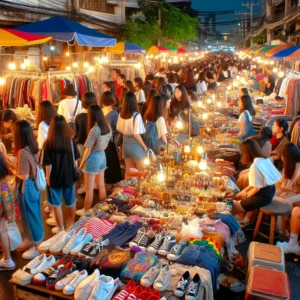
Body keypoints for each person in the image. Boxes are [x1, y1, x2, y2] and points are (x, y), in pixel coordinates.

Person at [43, 115, 79, 234]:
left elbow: (48, 164)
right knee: (71, 201)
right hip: (69, 175)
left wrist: (48, 177)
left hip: (55, 178)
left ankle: (60, 228)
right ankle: (71, 223)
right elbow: (75, 160)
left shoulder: (48, 143)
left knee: (57, 204)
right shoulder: (70, 140)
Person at [232, 139, 281, 226]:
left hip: (262, 197)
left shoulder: (255, 166)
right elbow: (254, 184)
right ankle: (245, 220)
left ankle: (241, 224)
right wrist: (242, 192)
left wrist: (246, 196)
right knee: (238, 199)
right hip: (270, 192)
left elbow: (257, 188)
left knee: (233, 206)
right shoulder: (264, 159)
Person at [14, 120, 44, 259]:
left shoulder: (22, 152)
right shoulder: (33, 147)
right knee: (33, 214)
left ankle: (36, 246)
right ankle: (31, 240)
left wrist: (12, 169)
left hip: (26, 187)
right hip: (34, 186)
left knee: (30, 216)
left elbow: (24, 175)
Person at [77, 105, 111, 216]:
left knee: (89, 188)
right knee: (101, 185)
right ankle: (103, 208)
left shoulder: (95, 129)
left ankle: (86, 210)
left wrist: (81, 164)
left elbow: (88, 149)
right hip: (103, 156)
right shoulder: (107, 126)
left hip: (93, 158)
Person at [117, 92, 147, 179]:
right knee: (142, 172)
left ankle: (127, 191)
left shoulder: (121, 115)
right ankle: (140, 191)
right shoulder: (136, 116)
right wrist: (144, 147)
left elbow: (119, 129)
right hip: (135, 145)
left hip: (125, 145)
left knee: (129, 172)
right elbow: (136, 134)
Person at [237, 126, 273, 190]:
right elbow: (266, 156)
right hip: (258, 166)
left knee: (243, 177)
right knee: (243, 176)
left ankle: (241, 194)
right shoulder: (267, 144)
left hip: (256, 167)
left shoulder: (251, 139)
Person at [100, 91, 122, 184]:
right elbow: (117, 128)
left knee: (104, 160)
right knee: (112, 161)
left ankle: (104, 178)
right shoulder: (114, 113)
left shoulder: (100, 111)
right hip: (110, 141)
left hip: (101, 140)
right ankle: (113, 179)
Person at [0, 153, 15, 270]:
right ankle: (7, 259)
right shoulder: (4, 185)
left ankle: (7, 260)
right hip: (4, 196)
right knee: (2, 230)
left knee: (1, 231)